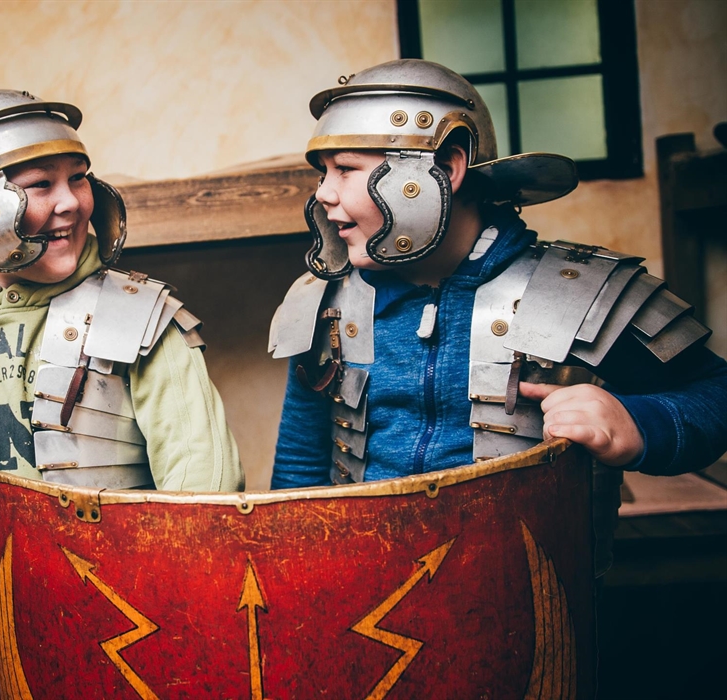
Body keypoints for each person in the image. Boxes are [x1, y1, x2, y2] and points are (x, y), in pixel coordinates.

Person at [0, 90, 243, 700]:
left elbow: (203, 496)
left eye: (80, 178)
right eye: (40, 184)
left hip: (131, 648)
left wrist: (186, 636)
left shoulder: (141, 320)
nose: (71, 202)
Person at [269, 60, 726, 508]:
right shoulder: (324, 302)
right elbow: (299, 465)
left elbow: (715, 395)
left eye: (346, 169)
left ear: (447, 167)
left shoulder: (580, 292)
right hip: (364, 572)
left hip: (526, 576)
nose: (324, 193)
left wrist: (639, 424)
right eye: (322, 172)